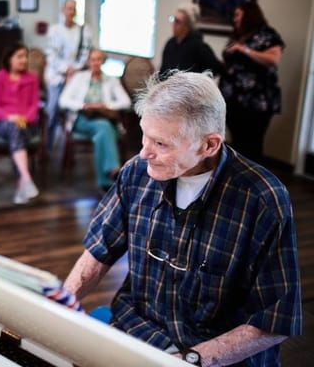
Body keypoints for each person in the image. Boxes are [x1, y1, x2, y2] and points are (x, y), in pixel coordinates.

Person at [64, 71, 302, 366]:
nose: (144, 152)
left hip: (211, 354)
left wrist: (189, 359)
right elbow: (100, 249)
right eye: (144, 135)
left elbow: (276, 320)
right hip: (139, 329)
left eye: (161, 144)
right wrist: (60, 308)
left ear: (209, 146)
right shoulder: (136, 173)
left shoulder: (262, 199)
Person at [219, 1, 285, 163]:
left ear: (249, 15)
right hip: (233, 99)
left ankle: (253, 180)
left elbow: (273, 59)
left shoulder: (267, 35)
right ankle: (238, 177)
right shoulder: (239, 35)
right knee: (238, 143)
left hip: (256, 102)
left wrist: (245, 50)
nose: (234, 19)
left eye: (237, 15)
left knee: (252, 144)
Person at [59, 49, 131, 191]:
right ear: (88, 61)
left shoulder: (111, 80)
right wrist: (84, 105)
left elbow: (126, 102)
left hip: (103, 118)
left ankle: (104, 181)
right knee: (104, 128)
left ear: (102, 61)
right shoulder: (79, 78)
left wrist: (106, 106)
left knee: (101, 133)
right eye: (92, 59)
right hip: (82, 118)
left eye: (98, 59)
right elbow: (63, 101)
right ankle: (113, 170)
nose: (95, 63)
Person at [0, 43, 40, 204]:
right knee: (14, 129)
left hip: (27, 123)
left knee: (16, 132)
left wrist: (25, 117)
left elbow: (34, 104)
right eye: (19, 56)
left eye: (25, 56)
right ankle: (25, 178)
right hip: (3, 122)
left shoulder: (31, 78)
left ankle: (23, 183)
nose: (24, 60)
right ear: (9, 59)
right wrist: (10, 117)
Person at [44, 0, 92, 151]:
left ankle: (69, 149)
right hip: (57, 75)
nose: (70, 12)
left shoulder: (83, 31)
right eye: (68, 8)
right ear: (62, 10)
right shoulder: (55, 30)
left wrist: (74, 69)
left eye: (73, 9)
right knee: (52, 110)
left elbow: (85, 52)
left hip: (76, 75)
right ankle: (48, 146)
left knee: (72, 112)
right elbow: (51, 53)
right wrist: (65, 69)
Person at [160, 3, 222, 78]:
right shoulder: (170, 44)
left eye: (178, 21)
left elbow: (215, 69)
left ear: (187, 26)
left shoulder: (198, 46)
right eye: (173, 19)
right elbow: (163, 71)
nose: (174, 24)